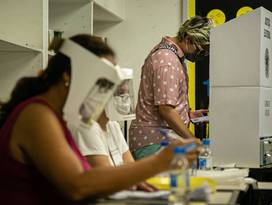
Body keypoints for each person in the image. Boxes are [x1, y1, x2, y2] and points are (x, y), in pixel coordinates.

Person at [0, 34, 199, 204]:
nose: (104, 94)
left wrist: (125, 179)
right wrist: (159, 162)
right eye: (101, 83)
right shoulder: (37, 115)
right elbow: (77, 185)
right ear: (67, 76)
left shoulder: (56, 117)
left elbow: (85, 177)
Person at [129, 16, 214, 160]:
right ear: (188, 39)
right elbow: (166, 110)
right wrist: (194, 141)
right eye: (201, 50)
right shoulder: (168, 60)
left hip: (159, 141)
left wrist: (189, 115)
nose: (202, 56)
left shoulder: (171, 56)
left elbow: (165, 104)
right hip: (154, 142)